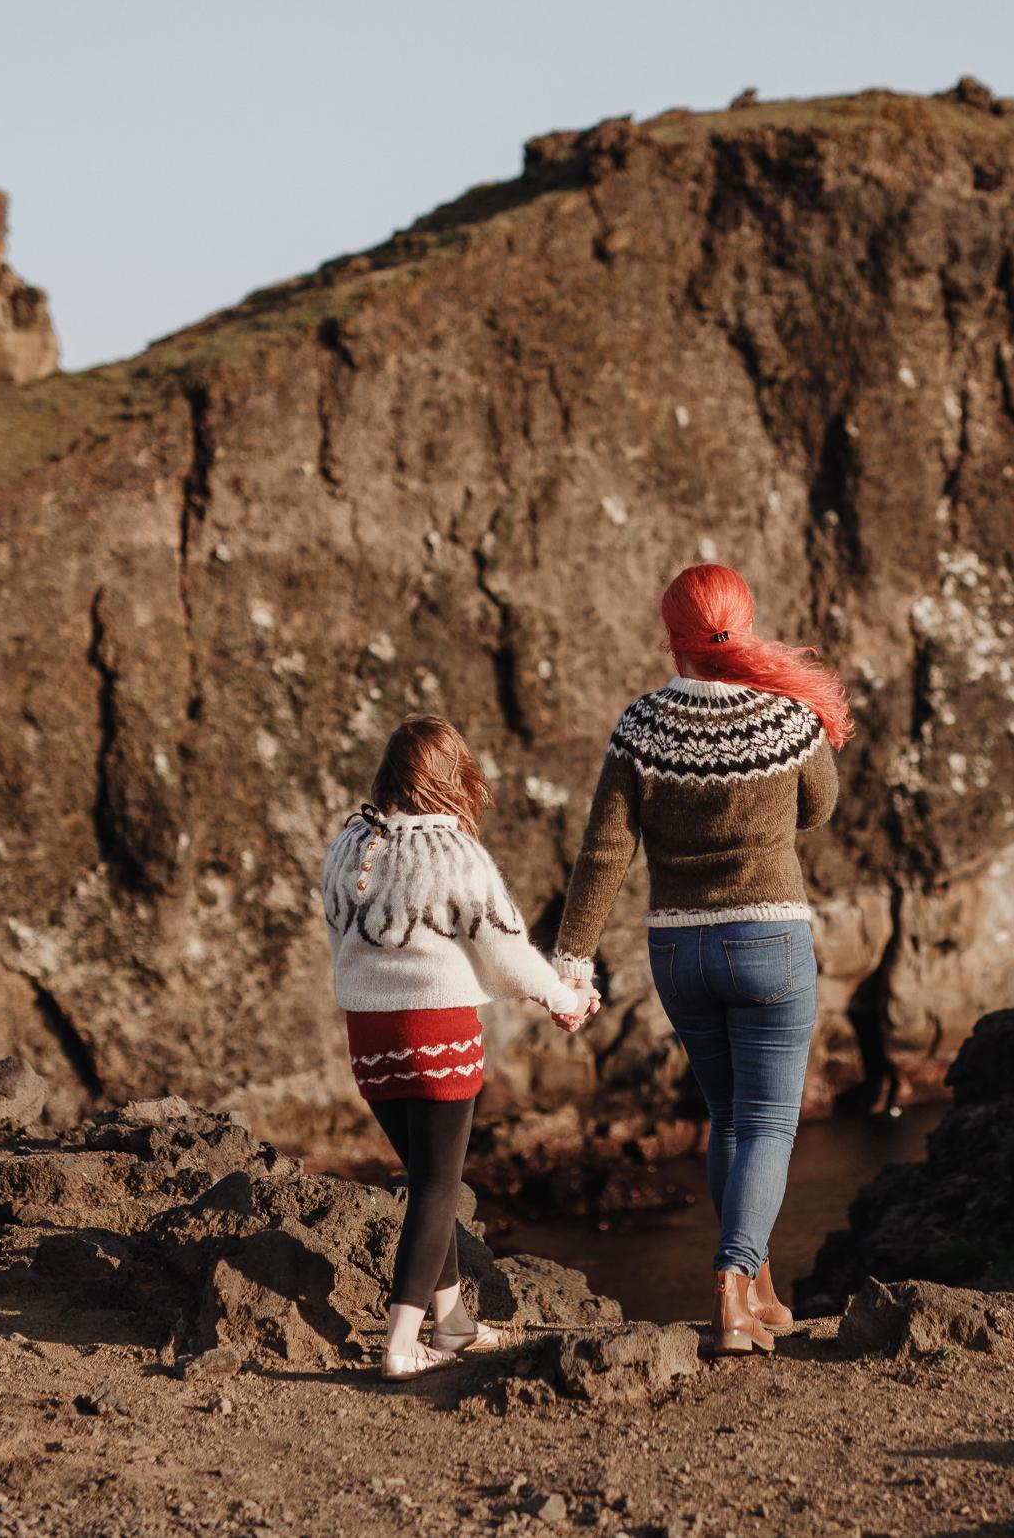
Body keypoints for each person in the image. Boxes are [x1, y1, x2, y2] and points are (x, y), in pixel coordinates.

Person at [551, 563, 849, 1353]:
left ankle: (757, 1288)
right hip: (770, 942)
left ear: (672, 637)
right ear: (742, 626)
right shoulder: (786, 719)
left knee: (727, 1119)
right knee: (770, 1123)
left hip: (679, 948)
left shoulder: (642, 725)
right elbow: (820, 805)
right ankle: (731, 1278)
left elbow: (605, 849)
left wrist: (572, 957)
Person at [322, 716, 600, 1380]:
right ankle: (400, 1341)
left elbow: (344, 946)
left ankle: (450, 1323)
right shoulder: (454, 853)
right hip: (437, 1032)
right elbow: (503, 949)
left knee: (425, 1177)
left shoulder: (349, 844)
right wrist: (563, 1000)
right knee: (438, 1186)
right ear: (455, 777)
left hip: (369, 1035)